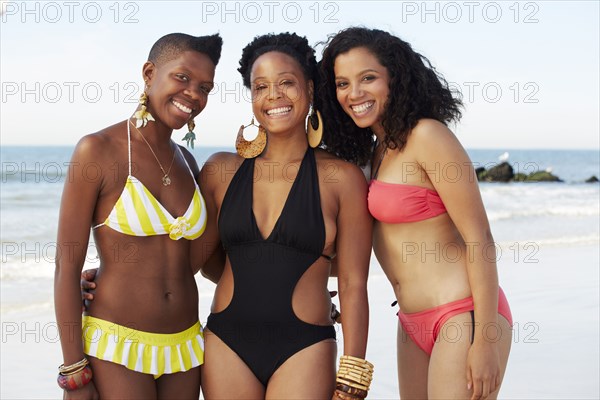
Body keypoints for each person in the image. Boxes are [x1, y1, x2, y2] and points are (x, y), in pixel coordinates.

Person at [318, 27, 513, 400]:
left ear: (396, 77)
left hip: (462, 314)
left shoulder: (427, 136)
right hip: (410, 323)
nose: (354, 93)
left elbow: (480, 239)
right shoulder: (375, 152)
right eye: (342, 83)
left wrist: (486, 339)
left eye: (368, 78)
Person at [195, 32, 372, 399]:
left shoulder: (342, 178)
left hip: (304, 346)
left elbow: (354, 285)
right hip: (226, 340)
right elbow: (193, 260)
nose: (273, 95)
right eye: (260, 87)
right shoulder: (220, 172)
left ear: (309, 88)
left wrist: (353, 379)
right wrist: (109, 272)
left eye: (286, 83)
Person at [54, 33, 222, 399]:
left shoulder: (189, 163)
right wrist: (74, 372)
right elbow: (66, 268)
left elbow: (184, 262)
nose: (193, 93)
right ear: (149, 73)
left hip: (185, 345)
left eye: (204, 87)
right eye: (182, 78)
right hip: (117, 344)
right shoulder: (97, 150)